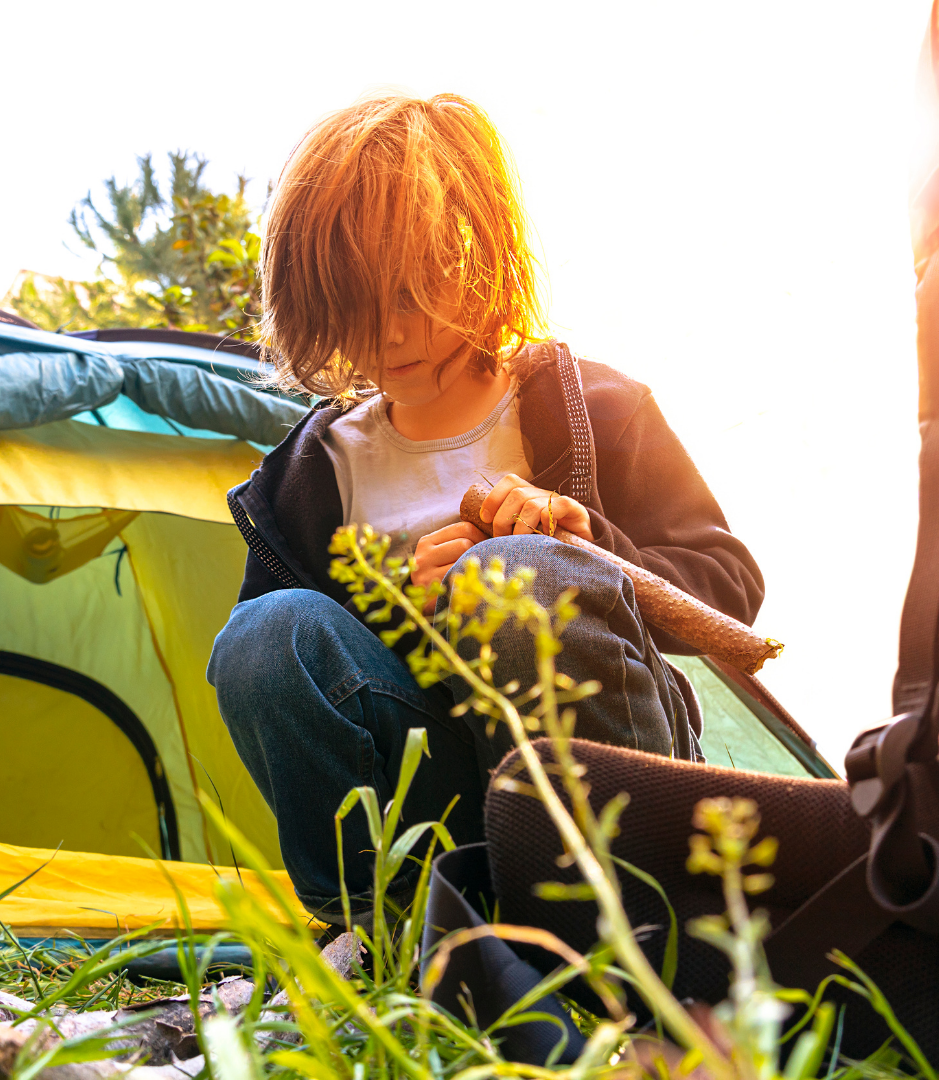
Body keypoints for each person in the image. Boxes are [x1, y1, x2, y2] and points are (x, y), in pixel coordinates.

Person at [207, 92, 764, 925]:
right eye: (353, 303)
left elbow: (730, 592)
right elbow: (287, 680)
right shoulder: (308, 476)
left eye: (408, 294)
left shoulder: (593, 408)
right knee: (260, 632)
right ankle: (389, 928)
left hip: (604, 796)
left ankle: (615, 922)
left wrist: (585, 548)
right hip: (432, 815)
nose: (388, 336)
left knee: (519, 574)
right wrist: (405, 615)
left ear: (476, 251)